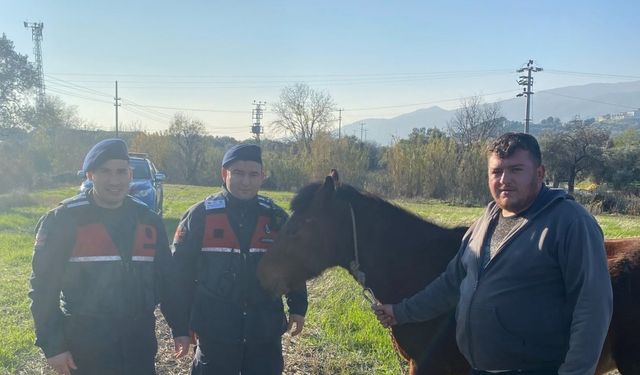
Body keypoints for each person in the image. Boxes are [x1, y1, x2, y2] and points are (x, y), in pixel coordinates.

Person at [373, 132, 613, 375]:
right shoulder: (487, 219)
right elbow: (451, 283)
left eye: (516, 170)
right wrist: (401, 312)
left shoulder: (570, 222)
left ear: (539, 173)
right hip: (479, 369)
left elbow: (592, 307)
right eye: (496, 172)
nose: (504, 180)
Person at [29, 138, 184, 375]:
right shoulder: (63, 220)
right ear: (90, 175)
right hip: (86, 342)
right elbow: (43, 289)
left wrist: (179, 326)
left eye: (122, 171)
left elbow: (167, 280)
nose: (115, 180)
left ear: (130, 174)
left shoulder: (148, 220)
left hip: (138, 341)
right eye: (105, 172)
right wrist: (53, 345)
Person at [171, 144, 308, 375]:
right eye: (238, 173)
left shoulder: (276, 218)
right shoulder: (200, 215)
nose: (246, 181)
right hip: (215, 328)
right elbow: (179, 273)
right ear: (224, 174)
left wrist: (298, 306)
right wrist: (181, 324)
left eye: (253, 174)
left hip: (264, 328)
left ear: (263, 177)